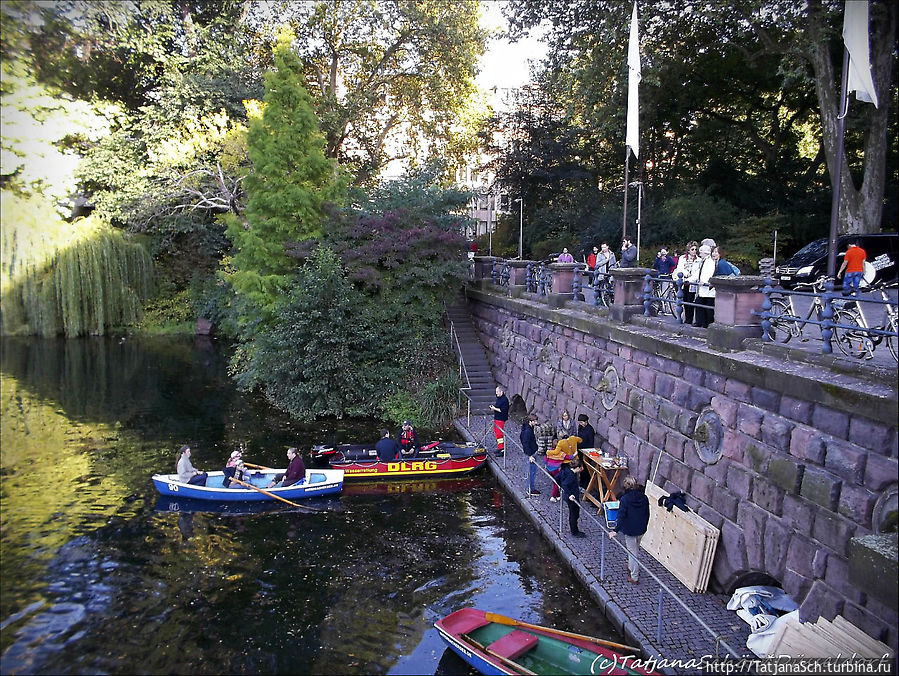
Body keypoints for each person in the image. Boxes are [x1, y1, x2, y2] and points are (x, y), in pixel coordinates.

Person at [608, 475, 650, 583]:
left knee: (633, 553)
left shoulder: (625, 499)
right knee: (635, 548)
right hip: (641, 528)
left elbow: (621, 515)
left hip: (630, 529)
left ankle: (634, 576)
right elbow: (647, 513)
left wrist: (615, 531)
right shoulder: (644, 497)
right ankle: (631, 566)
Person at [558, 457, 586, 537]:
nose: (582, 469)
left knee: (574, 512)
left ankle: (574, 529)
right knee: (574, 513)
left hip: (569, 495)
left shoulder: (566, 470)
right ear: (577, 468)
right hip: (572, 496)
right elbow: (565, 484)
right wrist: (570, 494)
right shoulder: (571, 476)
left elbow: (558, 478)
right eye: (580, 467)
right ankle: (574, 531)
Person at [689, 244, 716, 328]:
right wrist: (689, 280)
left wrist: (704, 282)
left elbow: (710, 273)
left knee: (706, 307)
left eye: (701, 252)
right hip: (703, 289)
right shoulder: (704, 261)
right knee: (700, 304)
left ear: (705, 253)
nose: (699, 254)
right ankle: (702, 322)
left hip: (707, 288)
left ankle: (705, 323)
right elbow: (698, 273)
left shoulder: (710, 262)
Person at [546, 435, 579, 502]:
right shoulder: (561, 453)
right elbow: (569, 457)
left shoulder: (550, 451)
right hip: (556, 469)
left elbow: (546, 459)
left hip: (549, 469)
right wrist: (575, 454)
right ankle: (553, 496)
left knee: (554, 481)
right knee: (557, 483)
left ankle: (557, 495)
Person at [673, 241, 700, 324]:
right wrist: (686, 273)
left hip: (692, 283)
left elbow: (698, 272)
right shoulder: (682, 258)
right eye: (692, 249)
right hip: (683, 282)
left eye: (695, 249)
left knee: (690, 301)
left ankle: (689, 319)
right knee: (683, 300)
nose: (694, 251)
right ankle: (684, 318)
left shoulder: (699, 260)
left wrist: (691, 279)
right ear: (688, 250)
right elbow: (680, 268)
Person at [520, 413, 540, 496]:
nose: (536, 423)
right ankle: (530, 489)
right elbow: (525, 443)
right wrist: (529, 455)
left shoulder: (526, 428)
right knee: (531, 471)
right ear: (530, 421)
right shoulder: (528, 431)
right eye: (534, 421)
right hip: (531, 452)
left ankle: (530, 487)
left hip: (532, 450)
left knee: (531, 471)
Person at [489, 386, 509, 456]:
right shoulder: (499, 398)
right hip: (497, 418)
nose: (496, 393)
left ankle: (502, 449)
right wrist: (494, 408)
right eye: (496, 391)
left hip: (500, 419)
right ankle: (499, 447)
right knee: (496, 433)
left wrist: (494, 408)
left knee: (499, 434)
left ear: (501, 392)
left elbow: (503, 410)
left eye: (497, 392)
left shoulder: (504, 400)